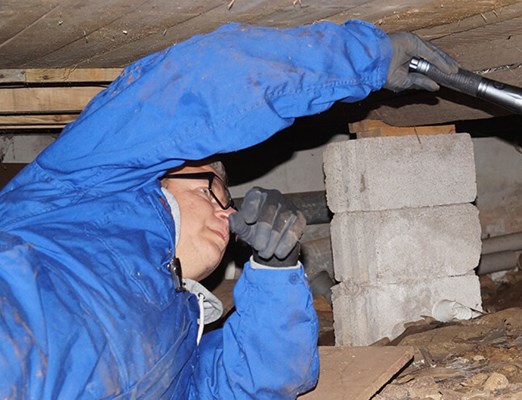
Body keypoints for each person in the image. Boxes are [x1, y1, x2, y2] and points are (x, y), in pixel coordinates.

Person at [0, 20, 458, 399]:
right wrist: (364, 58)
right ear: (159, 173)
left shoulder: (181, 334)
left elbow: (256, 383)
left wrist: (275, 272)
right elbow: (195, 96)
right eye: (210, 192)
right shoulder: (79, 190)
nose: (227, 214)